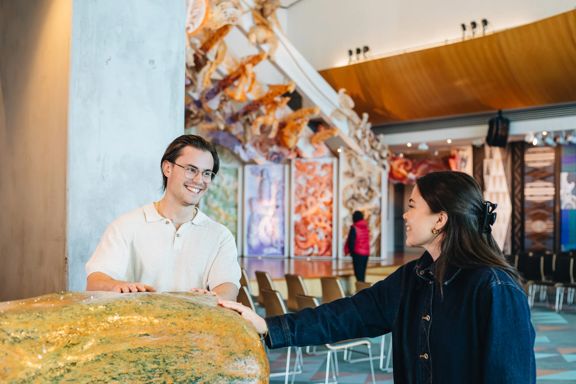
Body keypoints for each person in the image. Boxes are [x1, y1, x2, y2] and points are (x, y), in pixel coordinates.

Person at [221, 171, 536, 383]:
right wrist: (268, 325)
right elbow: (346, 315)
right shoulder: (412, 278)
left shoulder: (494, 288)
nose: (405, 214)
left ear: (440, 219)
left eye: (412, 206)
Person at [86, 134, 240, 301]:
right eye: (191, 170)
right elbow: (95, 281)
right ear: (167, 168)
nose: (199, 180)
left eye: (207, 173)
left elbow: (228, 287)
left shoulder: (220, 236)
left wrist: (214, 298)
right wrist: (117, 286)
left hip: (196, 326)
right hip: (137, 325)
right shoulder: (126, 225)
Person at [344, 210, 370, 282]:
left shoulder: (354, 228)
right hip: (366, 253)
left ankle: (360, 290)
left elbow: (351, 242)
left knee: (358, 273)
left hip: (357, 253)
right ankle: (362, 288)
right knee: (362, 273)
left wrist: (351, 252)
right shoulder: (366, 227)